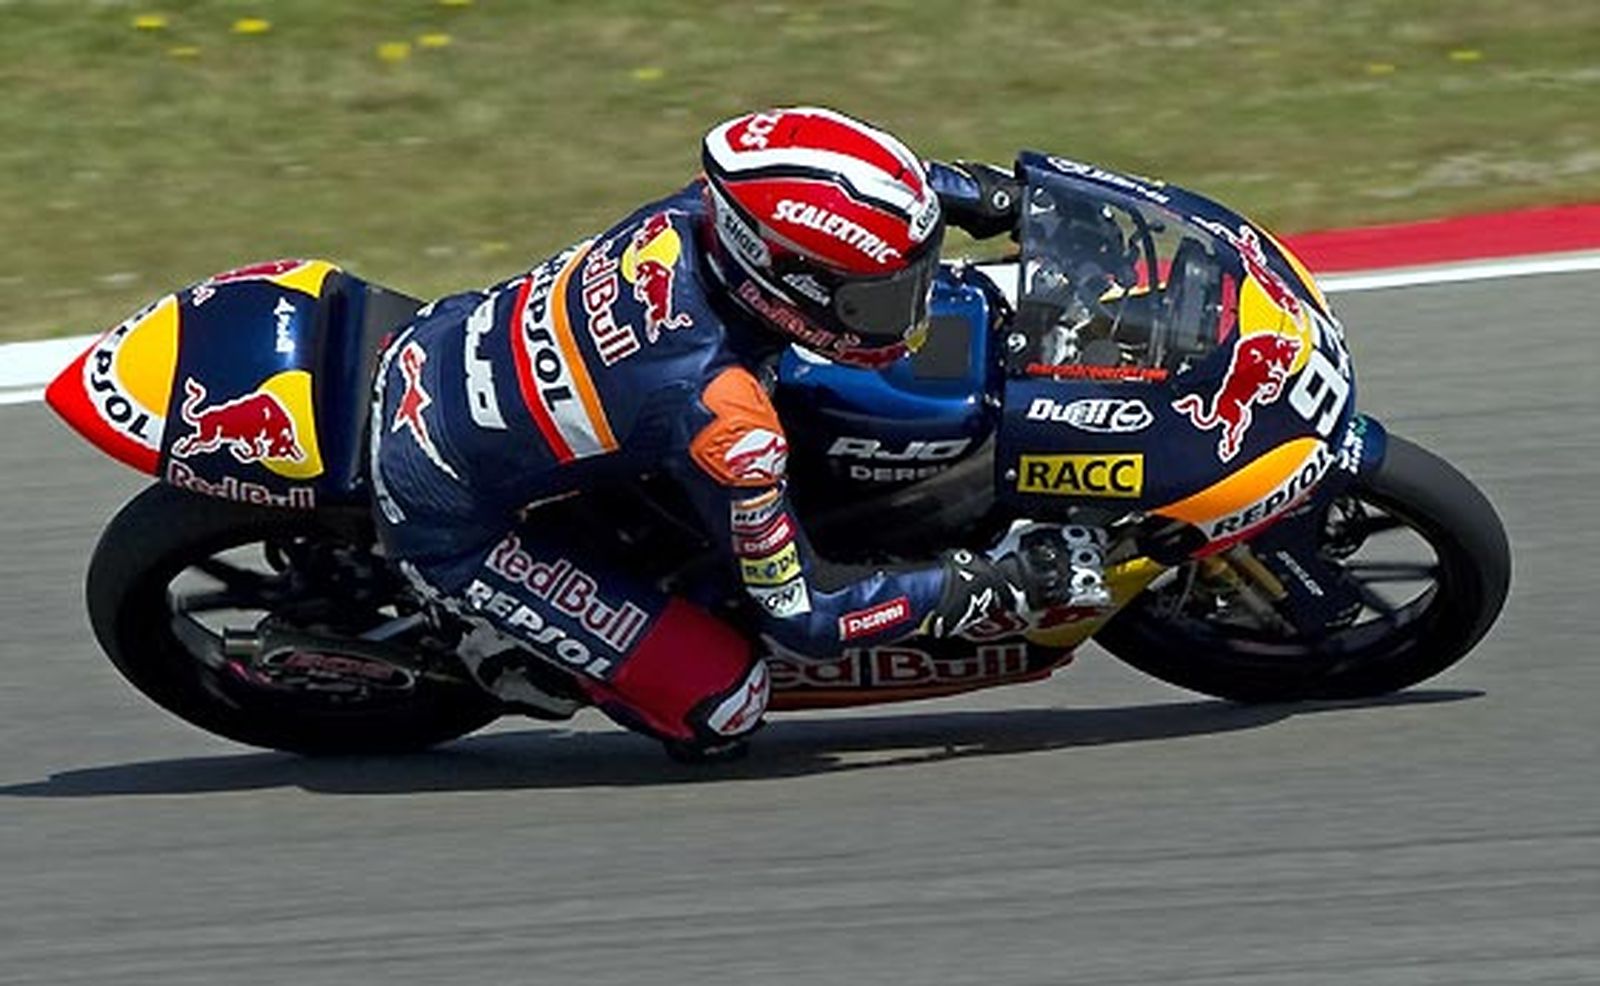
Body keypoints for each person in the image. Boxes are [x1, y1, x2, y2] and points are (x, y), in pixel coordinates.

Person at [370, 106, 1098, 760]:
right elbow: (804, 617)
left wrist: (983, 196)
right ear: (785, 289)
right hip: (443, 509)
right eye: (873, 298)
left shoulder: (703, 213)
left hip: (438, 345)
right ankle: (512, 646)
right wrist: (983, 584)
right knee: (725, 705)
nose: (903, 308)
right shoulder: (723, 415)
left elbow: (835, 183)